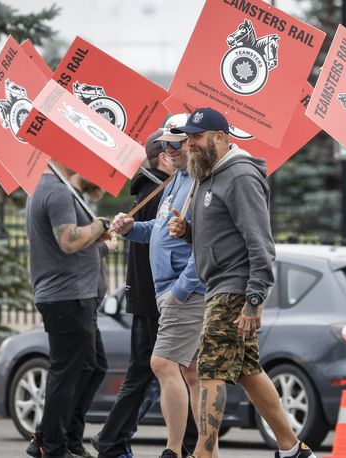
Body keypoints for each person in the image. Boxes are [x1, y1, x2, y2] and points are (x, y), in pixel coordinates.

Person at [167, 107, 318, 458]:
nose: (189, 144)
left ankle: (204, 454)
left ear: (219, 137)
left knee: (209, 371)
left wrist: (254, 297)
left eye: (196, 138)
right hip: (221, 284)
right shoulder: (210, 176)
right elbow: (223, 236)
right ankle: (292, 448)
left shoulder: (240, 177)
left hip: (234, 289)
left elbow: (260, 241)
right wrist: (188, 231)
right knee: (248, 369)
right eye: (187, 138)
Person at [111, 114, 209, 458]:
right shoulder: (179, 180)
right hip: (172, 290)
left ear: (192, 144)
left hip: (182, 291)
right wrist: (131, 228)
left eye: (174, 144)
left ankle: (174, 450)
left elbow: (207, 243)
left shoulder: (199, 181)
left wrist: (181, 290)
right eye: (164, 144)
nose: (167, 150)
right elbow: (160, 228)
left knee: (163, 364)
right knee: (192, 372)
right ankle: (201, 450)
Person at [93, 130, 175, 458]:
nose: (180, 154)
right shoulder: (155, 189)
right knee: (146, 372)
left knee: (152, 372)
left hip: (148, 292)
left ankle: (114, 438)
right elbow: (161, 239)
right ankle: (112, 440)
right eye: (174, 149)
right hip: (151, 293)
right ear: (163, 157)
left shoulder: (157, 186)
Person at [25, 160, 112, 458]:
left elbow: (68, 247)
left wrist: (100, 243)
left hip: (76, 296)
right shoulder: (57, 191)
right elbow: (68, 241)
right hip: (66, 298)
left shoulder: (55, 189)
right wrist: (100, 224)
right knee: (66, 373)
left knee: (93, 366)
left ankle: (67, 438)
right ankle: (52, 446)